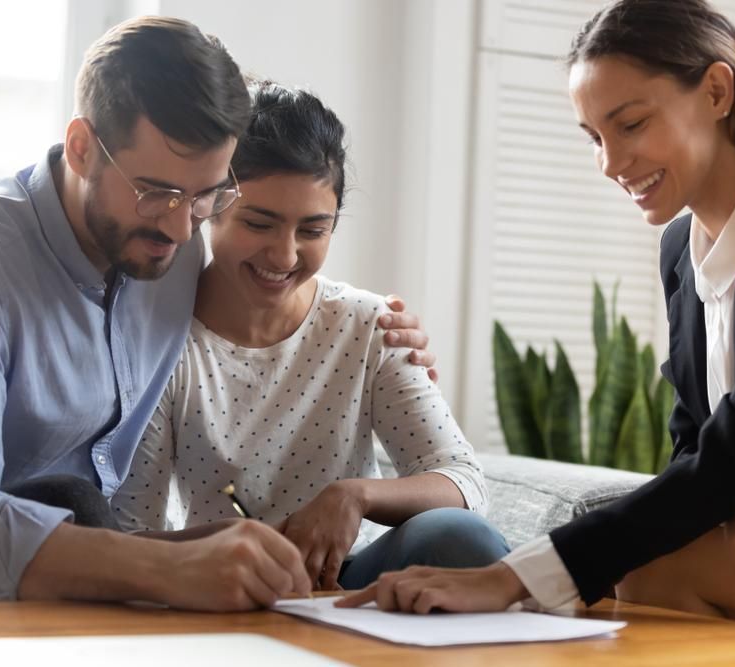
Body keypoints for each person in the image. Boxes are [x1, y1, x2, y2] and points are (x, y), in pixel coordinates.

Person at [340, 0, 735, 646]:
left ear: (717, 91)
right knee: (633, 561)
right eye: (595, 137)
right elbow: (696, 439)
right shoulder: (683, 248)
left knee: (646, 566)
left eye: (629, 124)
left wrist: (506, 578)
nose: (609, 162)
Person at [0, 16, 432, 610]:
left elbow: (274, 293)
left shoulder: (166, 247)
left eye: (206, 196)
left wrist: (380, 325)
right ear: (80, 148)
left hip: (82, 576)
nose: (182, 228)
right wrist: (160, 565)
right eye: (157, 191)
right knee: (69, 498)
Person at [111, 82, 509, 591]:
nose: (284, 256)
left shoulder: (369, 326)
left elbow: (462, 480)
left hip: (344, 588)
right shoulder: (161, 342)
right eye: (259, 223)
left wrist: (354, 496)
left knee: (458, 536)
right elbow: (130, 534)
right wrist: (240, 546)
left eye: (312, 230)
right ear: (210, 206)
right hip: (216, 584)